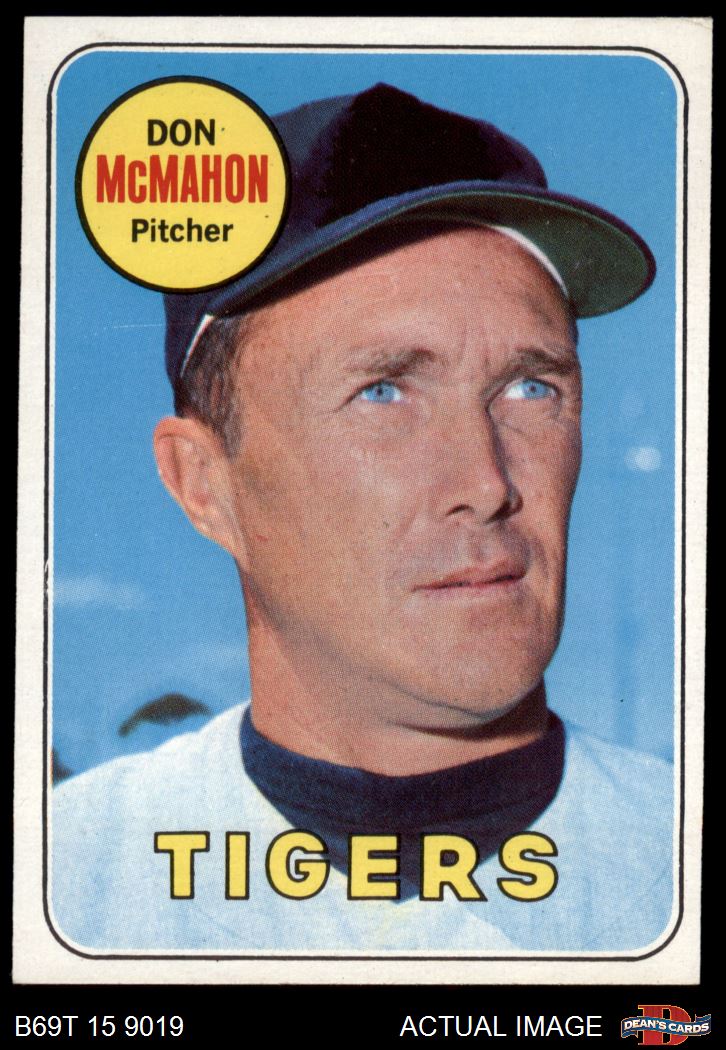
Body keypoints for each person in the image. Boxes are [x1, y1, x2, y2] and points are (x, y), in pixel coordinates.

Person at [52, 83, 673, 954]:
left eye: (531, 387)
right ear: (204, 485)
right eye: (381, 391)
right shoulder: (64, 883)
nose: (486, 482)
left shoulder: (677, 857)